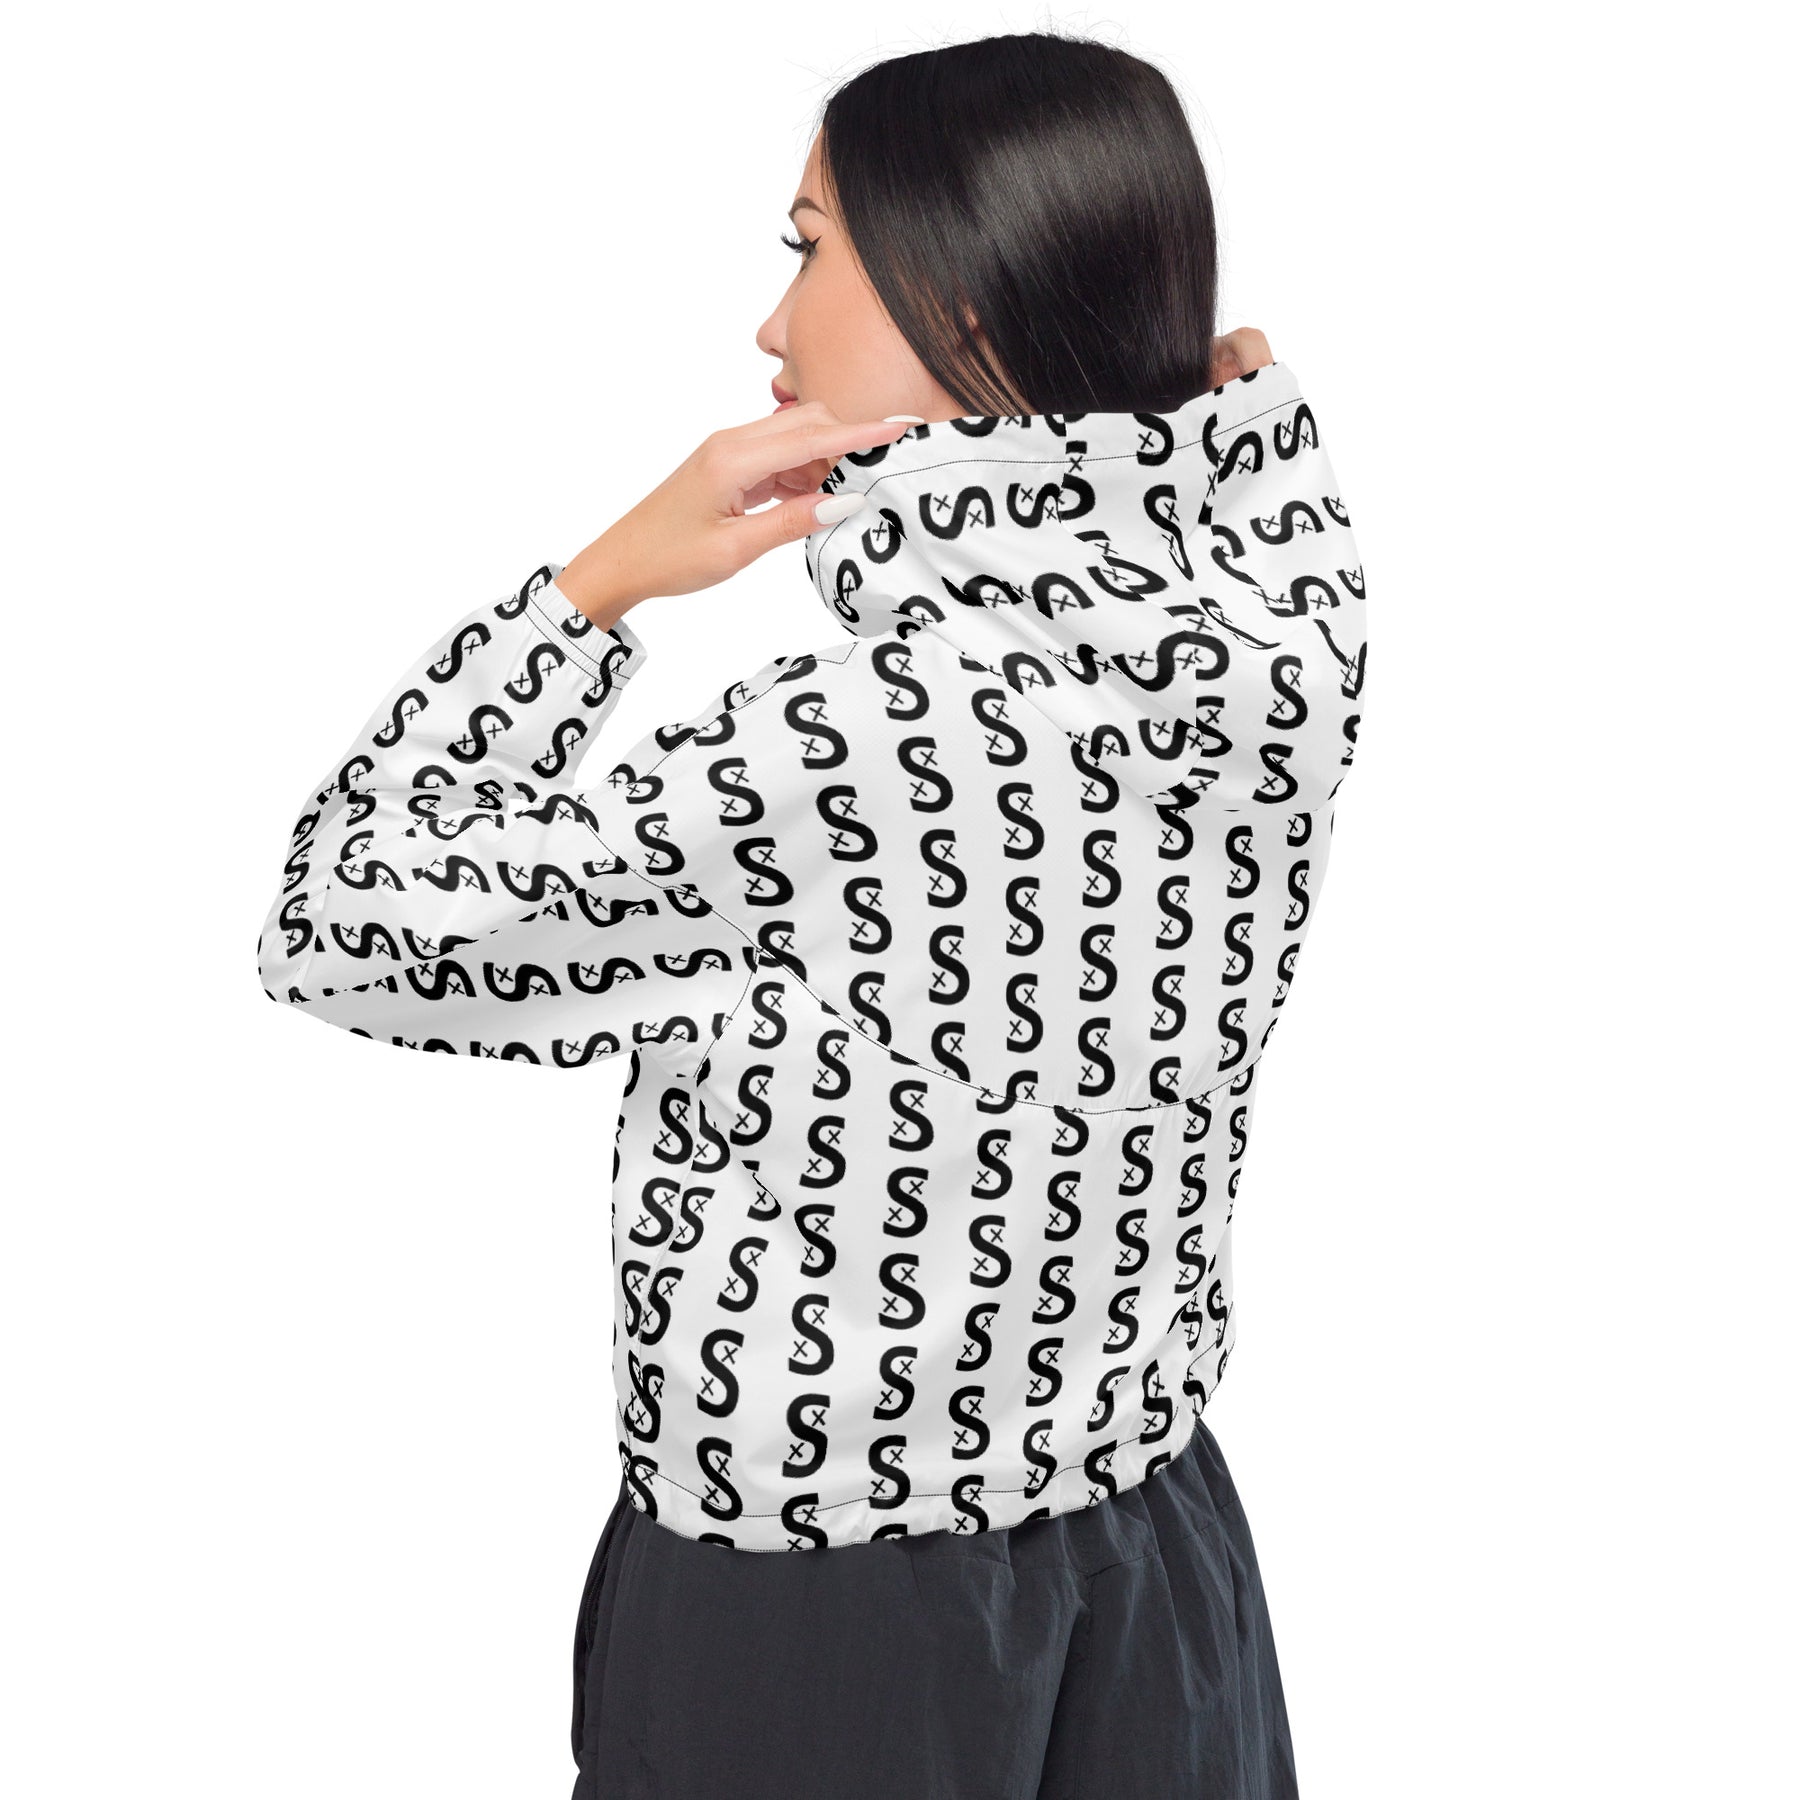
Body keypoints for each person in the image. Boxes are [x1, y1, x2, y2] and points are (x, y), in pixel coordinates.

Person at [255, 30, 1367, 1800]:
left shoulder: (853, 748)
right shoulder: (1271, 653)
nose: (771, 325)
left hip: (825, 1604)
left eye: (809, 246)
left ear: (965, 288)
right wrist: (1215, 413)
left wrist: (599, 583)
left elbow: (339, 918)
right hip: (1159, 1550)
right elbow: (1263, 459)